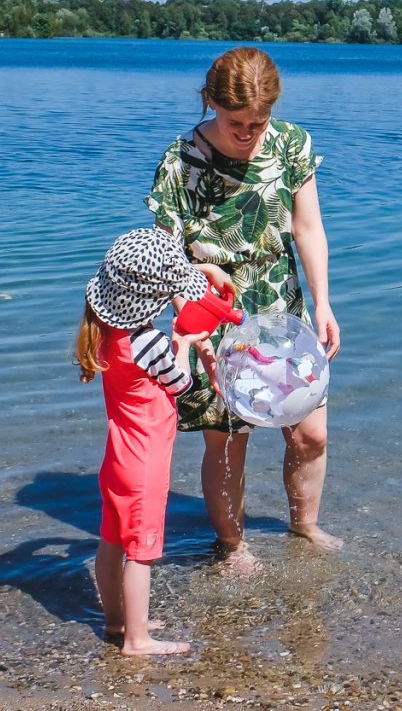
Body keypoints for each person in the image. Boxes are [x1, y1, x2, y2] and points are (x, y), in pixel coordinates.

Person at [146, 47, 341, 572]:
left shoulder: (292, 145)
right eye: (236, 122)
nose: (248, 133)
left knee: (311, 431)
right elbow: (167, 258)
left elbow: (308, 228)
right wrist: (191, 322)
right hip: (211, 310)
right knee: (229, 442)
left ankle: (304, 523)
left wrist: (323, 303)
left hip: (283, 304)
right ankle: (233, 548)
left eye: (259, 121)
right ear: (209, 101)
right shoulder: (180, 161)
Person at [76, 226, 232, 655]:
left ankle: (117, 622)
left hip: (116, 456)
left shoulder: (105, 330)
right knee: (141, 552)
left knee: (111, 540)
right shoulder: (150, 341)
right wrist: (182, 342)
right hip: (145, 461)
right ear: (154, 299)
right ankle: (138, 639)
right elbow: (180, 383)